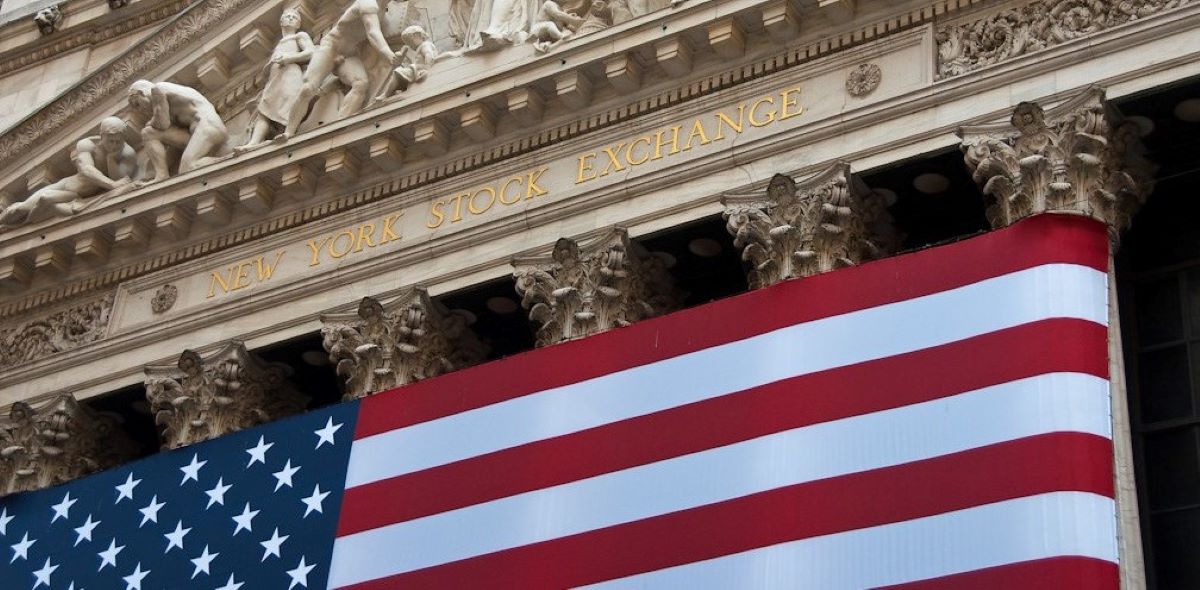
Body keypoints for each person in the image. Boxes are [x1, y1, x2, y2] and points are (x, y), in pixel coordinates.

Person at [279, 0, 403, 141]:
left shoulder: (381, 11)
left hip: (348, 55)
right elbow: (373, 33)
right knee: (308, 88)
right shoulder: (368, 3)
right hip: (330, 48)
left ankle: (339, 125)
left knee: (360, 83)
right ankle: (289, 132)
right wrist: (390, 56)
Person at [0, 117, 137, 228]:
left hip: (76, 195)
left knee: (45, 199)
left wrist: (111, 159)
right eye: (110, 141)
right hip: (66, 186)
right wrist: (112, 185)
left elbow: (120, 179)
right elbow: (86, 169)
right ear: (102, 136)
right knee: (21, 209)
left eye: (118, 142)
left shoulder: (128, 153)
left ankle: (26, 220)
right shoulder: (87, 144)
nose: (113, 145)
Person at [237, 8, 314, 153]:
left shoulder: (299, 36)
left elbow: (311, 52)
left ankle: (289, 131)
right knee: (264, 110)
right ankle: (253, 142)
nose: (291, 19)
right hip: (275, 79)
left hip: (290, 75)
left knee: (289, 102)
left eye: (294, 17)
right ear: (281, 22)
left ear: (298, 24)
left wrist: (289, 58)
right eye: (287, 16)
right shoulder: (280, 42)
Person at [127, 80, 232, 183]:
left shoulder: (157, 90)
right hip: (196, 133)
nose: (140, 110)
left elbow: (162, 123)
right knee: (148, 133)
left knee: (187, 168)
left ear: (141, 93)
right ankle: (161, 175)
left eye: (137, 104)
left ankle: (227, 160)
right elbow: (173, 147)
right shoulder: (171, 104)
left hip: (209, 127)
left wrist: (150, 122)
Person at [371, 26, 441, 104]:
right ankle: (393, 91)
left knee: (397, 72)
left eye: (410, 41)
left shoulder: (425, 45)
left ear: (417, 36)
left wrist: (427, 68)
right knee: (401, 71)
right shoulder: (421, 46)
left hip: (420, 69)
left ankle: (386, 94)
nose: (410, 45)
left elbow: (429, 55)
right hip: (417, 69)